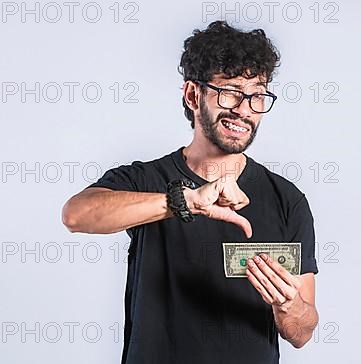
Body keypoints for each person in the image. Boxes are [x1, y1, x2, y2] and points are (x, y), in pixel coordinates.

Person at [61, 20, 319, 364]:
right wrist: (184, 200)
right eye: (230, 91)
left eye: (257, 95)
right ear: (193, 95)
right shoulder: (147, 179)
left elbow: (302, 332)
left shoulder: (287, 199)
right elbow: (76, 215)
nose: (244, 110)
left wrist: (290, 306)